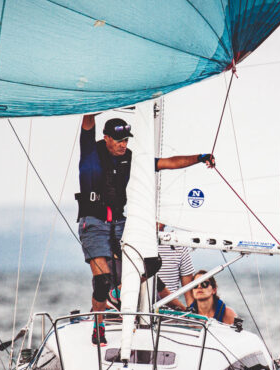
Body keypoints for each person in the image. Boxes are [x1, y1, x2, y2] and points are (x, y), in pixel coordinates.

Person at [77, 114, 214, 345]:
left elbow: (168, 162)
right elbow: (87, 120)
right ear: (107, 138)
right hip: (93, 223)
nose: (123, 144)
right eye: (119, 140)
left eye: (126, 140)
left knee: (152, 262)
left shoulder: (131, 158)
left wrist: (200, 158)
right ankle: (98, 324)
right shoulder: (91, 151)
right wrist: (97, 103)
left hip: (120, 223)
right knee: (100, 282)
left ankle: (118, 289)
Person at [156, 222, 195, 310]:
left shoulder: (178, 246)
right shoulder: (131, 245)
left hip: (171, 316)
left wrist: (192, 317)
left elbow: (189, 296)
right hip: (135, 316)